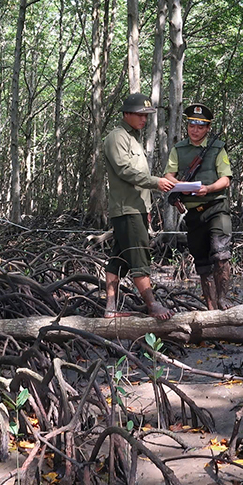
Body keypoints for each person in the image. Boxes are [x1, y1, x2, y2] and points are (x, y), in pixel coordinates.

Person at [102, 92, 177, 320]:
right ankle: (153, 305)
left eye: (147, 116)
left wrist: (149, 209)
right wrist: (157, 182)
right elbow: (125, 170)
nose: (144, 120)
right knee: (139, 257)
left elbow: (138, 177)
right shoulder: (117, 137)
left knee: (119, 259)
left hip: (137, 209)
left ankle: (110, 308)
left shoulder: (134, 138)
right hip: (127, 210)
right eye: (140, 115)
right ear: (126, 114)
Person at [164, 103, 233, 310]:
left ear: (207, 128)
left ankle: (223, 301)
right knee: (202, 264)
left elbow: (226, 179)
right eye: (192, 125)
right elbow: (169, 175)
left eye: (200, 127)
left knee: (221, 255)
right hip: (193, 215)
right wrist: (179, 186)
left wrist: (209, 188)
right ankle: (211, 307)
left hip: (216, 208)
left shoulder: (217, 148)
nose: (195, 130)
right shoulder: (179, 149)